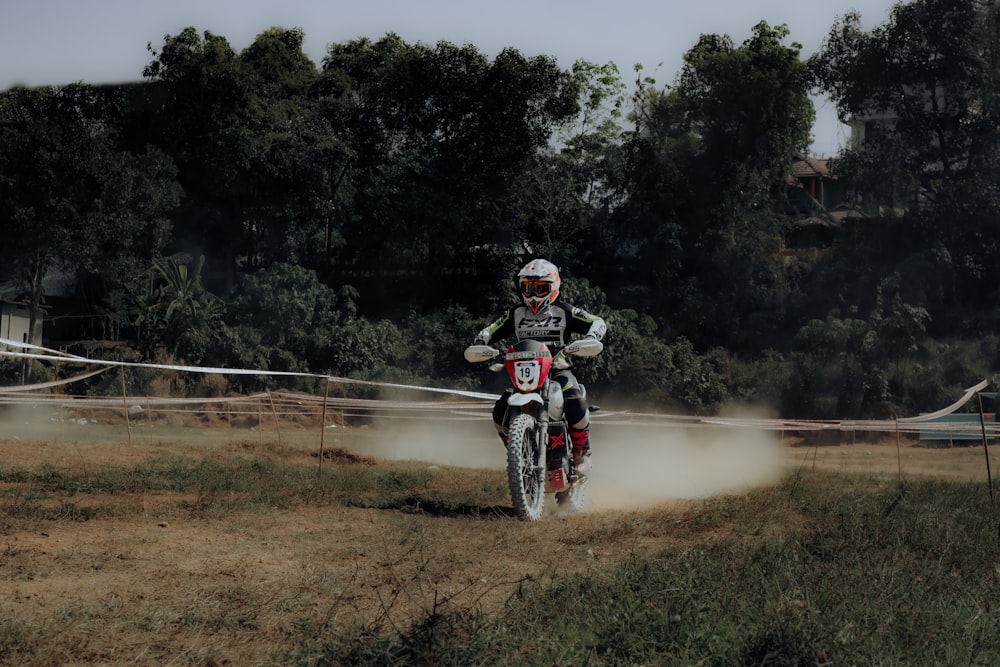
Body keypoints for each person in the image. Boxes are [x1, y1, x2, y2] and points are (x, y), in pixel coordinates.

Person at [472, 258, 607, 476]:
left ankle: (583, 453)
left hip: (557, 369)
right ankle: (519, 454)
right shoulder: (515, 313)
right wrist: (480, 343)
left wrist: (590, 338)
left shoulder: (564, 310)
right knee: (500, 411)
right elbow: (490, 329)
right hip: (525, 372)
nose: (534, 294)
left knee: (574, 400)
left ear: (553, 286)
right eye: (528, 288)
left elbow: (597, 322)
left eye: (541, 288)